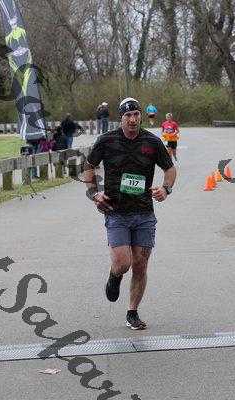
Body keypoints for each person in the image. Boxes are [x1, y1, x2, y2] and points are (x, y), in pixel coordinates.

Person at [84, 97, 177, 330]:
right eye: (128, 115)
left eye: (136, 115)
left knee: (140, 264)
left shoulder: (152, 142)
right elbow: (88, 166)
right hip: (116, 211)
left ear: (141, 116)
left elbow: (170, 168)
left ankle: (132, 312)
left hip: (144, 213)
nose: (133, 119)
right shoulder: (107, 141)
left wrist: (166, 189)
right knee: (123, 263)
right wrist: (94, 193)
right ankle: (114, 275)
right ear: (121, 118)